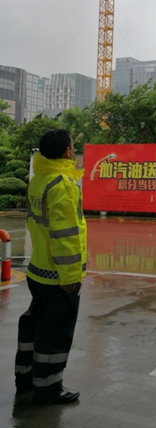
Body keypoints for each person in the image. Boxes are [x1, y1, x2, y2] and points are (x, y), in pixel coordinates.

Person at [15, 129, 87, 405]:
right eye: (73, 146)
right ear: (67, 151)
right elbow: (65, 236)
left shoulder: (38, 180)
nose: (74, 150)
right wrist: (70, 276)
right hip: (59, 276)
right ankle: (48, 388)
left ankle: (25, 378)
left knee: (35, 325)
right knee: (55, 334)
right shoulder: (63, 185)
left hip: (38, 269)